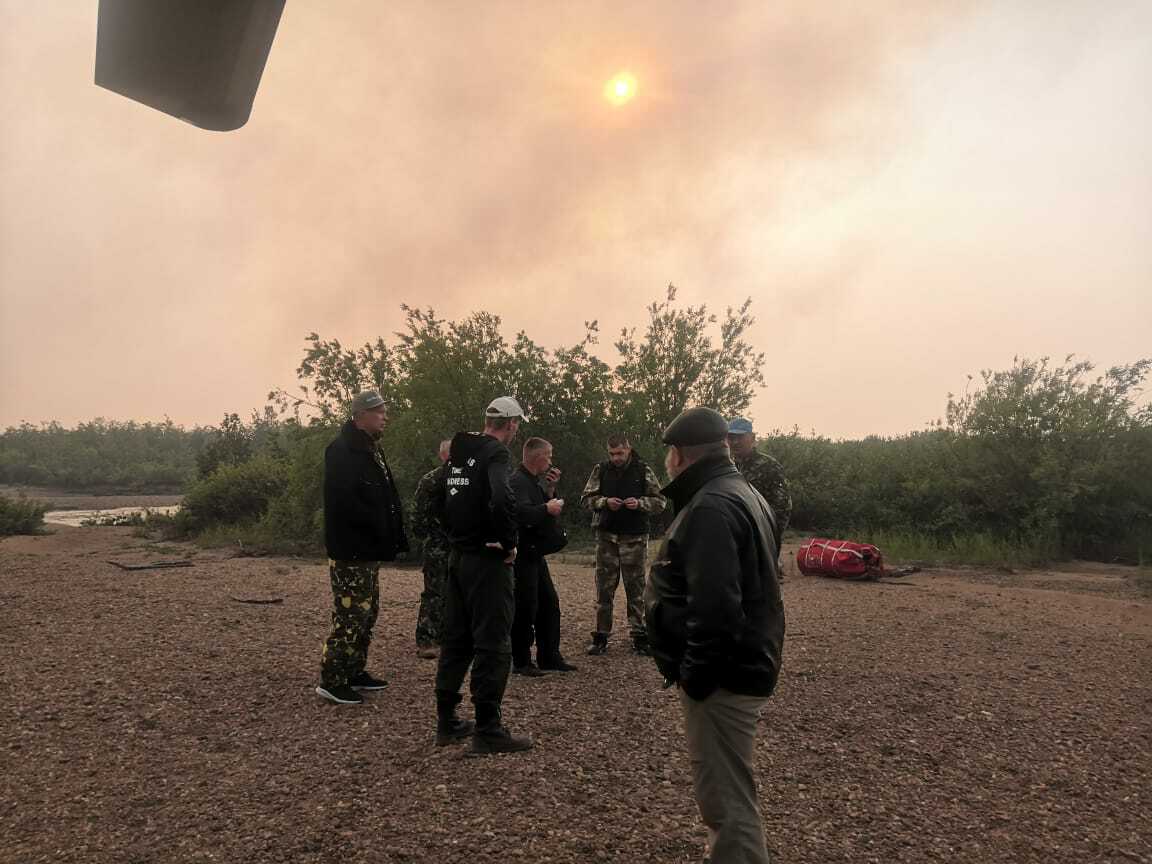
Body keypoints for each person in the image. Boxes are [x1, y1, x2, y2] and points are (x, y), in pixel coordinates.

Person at [645, 407, 785, 864]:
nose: (667, 461)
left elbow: (717, 608)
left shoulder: (710, 506)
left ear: (680, 455)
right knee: (728, 791)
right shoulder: (743, 492)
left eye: (669, 453)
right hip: (743, 664)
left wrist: (696, 677)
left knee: (726, 804)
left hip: (724, 677)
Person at [434, 396, 533, 754]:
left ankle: (447, 721)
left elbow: (440, 496)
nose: (517, 430)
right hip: (487, 561)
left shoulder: (461, 451)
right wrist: (508, 542)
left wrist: (455, 536)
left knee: (457, 639)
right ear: (510, 424)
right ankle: (488, 729)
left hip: (459, 557)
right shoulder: (496, 453)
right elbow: (502, 497)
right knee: (493, 641)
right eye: (517, 424)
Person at [316, 389, 409, 706]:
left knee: (368, 613)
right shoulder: (341, 451)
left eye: (384, 411)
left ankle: (354, 671)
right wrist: (373, 529)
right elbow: (345, 504)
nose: (385, 416)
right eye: (380, 411)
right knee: (350, 615)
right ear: (361, 416)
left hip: (368, 550)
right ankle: (332, 679)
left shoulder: (370, 449)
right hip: (351, 551)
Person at [579, 434, 666, 656]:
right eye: (612, 454)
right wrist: (604, 502)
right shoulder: (601, 469)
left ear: (629, 450)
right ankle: (601, 636)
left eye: (620, 453)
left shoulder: (642, 470)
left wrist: (640, 503)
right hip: (607, 536)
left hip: (634, 538)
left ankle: (639, 636)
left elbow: (661, 502)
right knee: (604, 589)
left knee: (636, 588)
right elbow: (586, 500)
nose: (616, 458)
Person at [509, 437, 577, 676]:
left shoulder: (532, 482)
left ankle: (549, 655)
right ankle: (521, 660)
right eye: (548, 456)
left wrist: (549, 491)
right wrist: (547, 508)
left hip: (536, 554)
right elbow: (520, 513)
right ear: (538, 457)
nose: (550, 461)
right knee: (525, 607)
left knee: (549, 604)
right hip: (522, 555)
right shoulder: (517, 481)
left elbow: (539, 509)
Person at [411, 439, 452, 659]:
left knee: (459, 593)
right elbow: (417, 517)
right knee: (434, 593)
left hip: (461, 546)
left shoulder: (466, 481)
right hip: (438, 546)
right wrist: (431, 538)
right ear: (442, 456)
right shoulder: (431, 481)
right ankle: (427, 640)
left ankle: (451, 638)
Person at [726, 417, 792, 533]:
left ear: (752, 438)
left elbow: (782, 506)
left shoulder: (768, 465)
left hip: (761, 533)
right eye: (731, 437)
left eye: (740, 437)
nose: (735, 442)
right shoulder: (728, 466)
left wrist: (771, 535)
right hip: (736, 532)